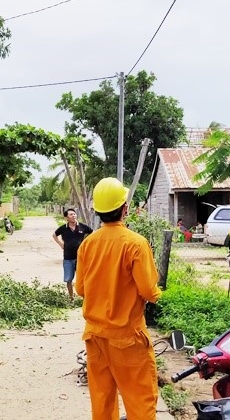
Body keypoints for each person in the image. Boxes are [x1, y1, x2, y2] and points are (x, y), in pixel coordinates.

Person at [76, 177, 162, 420]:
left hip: (95, 337)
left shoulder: (87, 244)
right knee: (140, 403)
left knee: (102, 403)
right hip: (127, 338)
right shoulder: (135, 244)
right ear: (125, 209)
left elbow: (81, 288)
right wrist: (157, 294)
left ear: (97, 211)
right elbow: (148, 290)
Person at [52, 208, 93, 300]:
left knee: (83, 278)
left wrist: (86, 243)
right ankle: (71, 297)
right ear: (66, 217)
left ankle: (85, 297)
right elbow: (54, 235)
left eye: (74, 214)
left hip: (80, 257)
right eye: (71, 214)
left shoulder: (82, 227)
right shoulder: (63, 228)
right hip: (68, 258)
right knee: (68, 279)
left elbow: (92, 233)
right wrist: (60, 244)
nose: (73, 216)